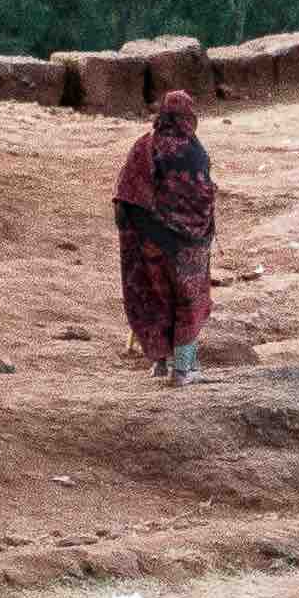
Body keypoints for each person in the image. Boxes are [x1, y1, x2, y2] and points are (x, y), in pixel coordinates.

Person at [109, 88, 214, 384]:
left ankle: (159, 365)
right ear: (188, 116)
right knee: (190, 300)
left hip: (149, 240)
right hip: (187, 246)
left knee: (156, 296)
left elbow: (125, 194)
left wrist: (136, 233)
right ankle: (183, 370)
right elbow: (202, 195)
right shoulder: (195, 150)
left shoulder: (145, 146)